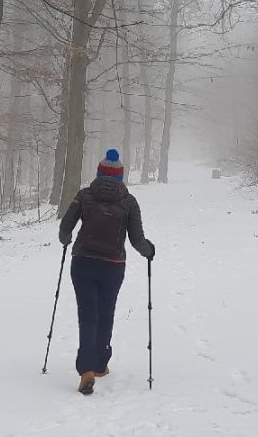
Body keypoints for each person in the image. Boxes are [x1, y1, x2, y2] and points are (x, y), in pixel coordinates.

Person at [59, 149, 155, 395]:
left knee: (87, 313)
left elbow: (65, 227)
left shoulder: (85, 195)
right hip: (112, 265)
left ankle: (86, 370)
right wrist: (149, 251)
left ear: (99, 173)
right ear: (121, 176)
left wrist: (66, 239)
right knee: (106, 312)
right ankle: (101, 363)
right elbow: (137, 240)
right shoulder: (129, 201)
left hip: (83, 262)